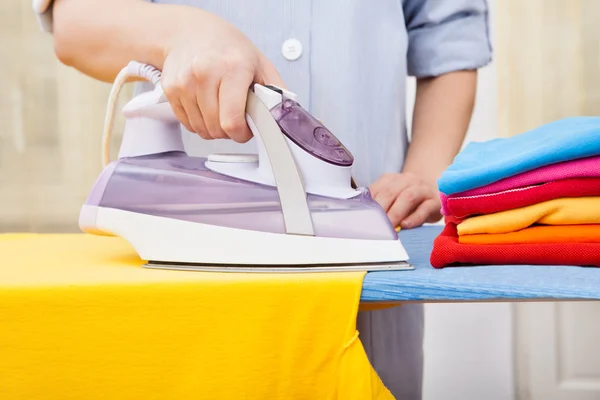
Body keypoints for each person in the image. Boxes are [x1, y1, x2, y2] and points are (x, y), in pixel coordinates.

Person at [36, 0, 492, 397]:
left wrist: (425, 174)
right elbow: (75, 20)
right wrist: (187, 33)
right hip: (188, 305)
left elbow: (449, 38)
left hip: (364, 294)